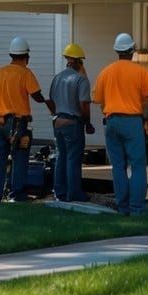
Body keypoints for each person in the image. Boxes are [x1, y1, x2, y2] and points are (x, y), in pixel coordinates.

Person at [91, 32, 148, 215]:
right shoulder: (141, 72)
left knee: (118, 167)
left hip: (112, 121)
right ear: (132, 51)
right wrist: (144, 113)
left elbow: (98, 99)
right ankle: (137, 209)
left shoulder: (106, 72)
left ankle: (123, 208)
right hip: (132, 121)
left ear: (116, 51)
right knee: (137, 166)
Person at [0, 35, 54, 202]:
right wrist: (48, 102)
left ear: (11, 54)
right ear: (26, 56)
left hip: (0, 122)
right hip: (18, 124)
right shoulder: (25, 73)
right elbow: (36, 95)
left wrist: (3, 102)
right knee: (20, 159)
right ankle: (17, 195)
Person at [48, 42, 94, 203]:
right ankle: (74, 194)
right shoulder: (81, 80)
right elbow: (84, 105)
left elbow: (51, 101)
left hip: (58, 122)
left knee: (61, 157)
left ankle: (59, 192)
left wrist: (55, 114)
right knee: (74, 159)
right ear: (78, 62)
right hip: (73, 123)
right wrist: (88, 123)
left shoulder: (57, 77)